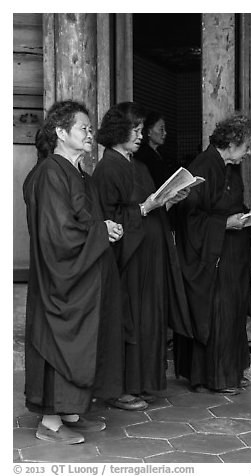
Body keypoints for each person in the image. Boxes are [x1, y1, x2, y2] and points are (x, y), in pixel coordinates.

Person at [23, 100, 124, 444]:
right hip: (60, 280)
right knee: (58, 343)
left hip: (82, 277)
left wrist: (105, 227)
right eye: (83, 128)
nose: (90, 134)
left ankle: (69, 412)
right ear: (60, 133)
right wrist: (99, 232)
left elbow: (82, 220)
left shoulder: (76, 171)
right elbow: (59, 233)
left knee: (80, 343)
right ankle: (49, 425)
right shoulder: (51, 172)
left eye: (90, 128)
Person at [92, 101, 192, 410]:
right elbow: (106, 217)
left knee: (150, 321)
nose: (139, 135)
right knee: (129, 321)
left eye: (139, 130)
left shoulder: (139, 166)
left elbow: (151, 207)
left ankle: (144, 383)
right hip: (129, 260)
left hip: (150, 257)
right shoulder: (108, 166)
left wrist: (170, 200)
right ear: (118, 131)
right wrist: (145, 208)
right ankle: (121, 388)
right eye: (135, 130)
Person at [174, 113, 251, 395]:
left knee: (232, 313)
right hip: (213, 255)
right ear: (233, 141)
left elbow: (230, 203)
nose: (248, 153)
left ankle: (229, 371)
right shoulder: (203, 166)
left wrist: (249, 215)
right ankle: (212, 377)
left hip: (232, 251)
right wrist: (225, 223)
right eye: (247, 146)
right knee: (217, 312)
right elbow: (189, 217)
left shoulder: (229, 167)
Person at [134, 111, 173, 189]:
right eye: (161, 129)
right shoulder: (142, 156)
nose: (165, 133)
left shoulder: (163, 155)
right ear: (149, 131)